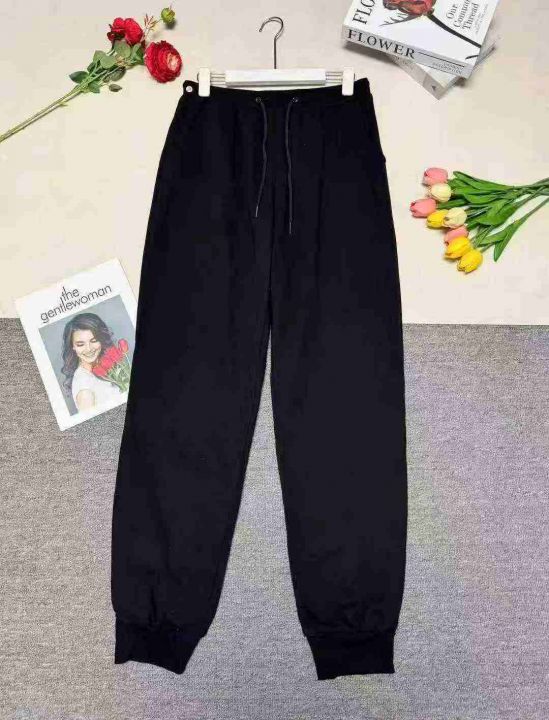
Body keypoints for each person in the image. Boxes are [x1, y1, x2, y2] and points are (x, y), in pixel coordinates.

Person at [61, 313, 122, 412]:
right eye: (80, 344)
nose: (89, 349)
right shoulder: (84, 390)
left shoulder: (105, 367)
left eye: (94, 341)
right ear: (73, 347)